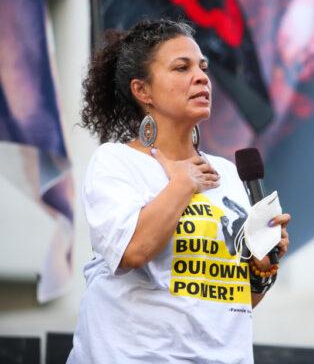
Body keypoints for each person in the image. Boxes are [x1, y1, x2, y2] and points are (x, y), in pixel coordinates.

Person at [67, 19, 290, 364]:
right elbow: (132, 251)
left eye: (203, 67)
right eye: (181, 68)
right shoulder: (116, 162)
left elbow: (232, 301)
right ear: (143, 91)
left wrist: (262, 269)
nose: (201, 77)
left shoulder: (230, 174)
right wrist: (183, 183)